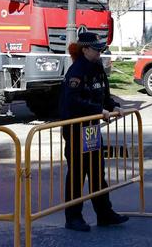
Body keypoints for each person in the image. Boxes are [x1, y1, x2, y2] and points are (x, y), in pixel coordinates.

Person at [59, 31, 129, 232]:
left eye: (101, 50)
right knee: (77, 175)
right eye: (96, 50)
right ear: (85, 49)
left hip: (91, 130)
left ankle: (104, 214)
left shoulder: (97, 68)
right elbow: (72, 101)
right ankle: (73, 218)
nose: (100, 53)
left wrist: (113, 106)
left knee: (98, 172)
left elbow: (103, 94)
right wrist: (98, 111)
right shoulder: (76, 71)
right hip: (76, 128)